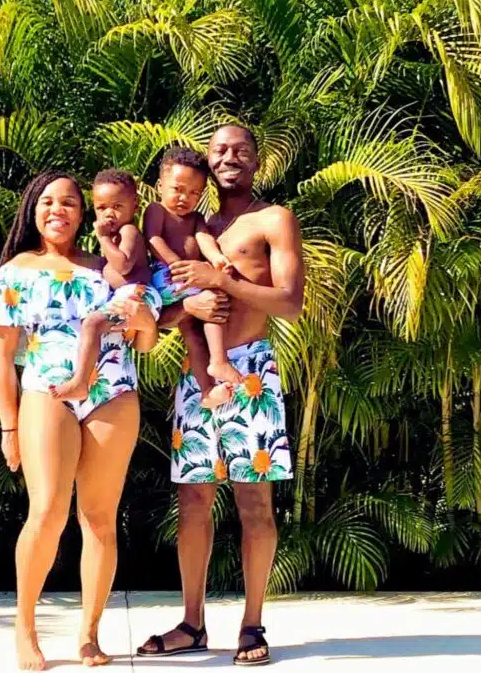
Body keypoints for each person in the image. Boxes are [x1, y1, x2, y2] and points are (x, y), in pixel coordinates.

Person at [136, 125, 304, 667]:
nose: (230, 157)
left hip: (251, 372)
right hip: (199, 377)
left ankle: (252, 625)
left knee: (255, 502)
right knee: (192, 501)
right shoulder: (193, 226)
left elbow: (289, 302)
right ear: (208, 163)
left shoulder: (272, 219)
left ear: (257, 160)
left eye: (241, 150)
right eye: (220, 151)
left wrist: (221, 280)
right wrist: (190, 308)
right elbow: (163, 315)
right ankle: (193, 622)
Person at [0, 171, 160, 670]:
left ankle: (89, 634)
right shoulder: (16, 271)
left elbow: (145, 341)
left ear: (83, 214)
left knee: (100, 519)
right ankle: (25, 629)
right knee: (47, 513)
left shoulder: (108, 269)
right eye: (48, 202)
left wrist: (144, 318)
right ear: (33, 210)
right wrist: (8, 427)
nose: (57, 210)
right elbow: (2, 360)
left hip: (113, 394)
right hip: (47, 391)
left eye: (69, 203)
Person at [50, 169, 161, 401]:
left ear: (135, 206)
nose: (109, 213)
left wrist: (102, 238)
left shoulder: (128, 231)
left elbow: (123, 266)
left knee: (92, 323)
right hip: (129, 295)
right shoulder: (115, 237)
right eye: (102, 208)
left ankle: (80, 382)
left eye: (117, 207)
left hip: (138, 294)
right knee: (95, 325)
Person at [145, 147, 241, 409]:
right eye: (177, 189)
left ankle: (208, 389)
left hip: (185, 280)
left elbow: (204, 239)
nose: (184, 197)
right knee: (214, 298)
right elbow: (153, 239)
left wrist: (217, 258)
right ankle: (219, 360)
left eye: (194, 193)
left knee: (194, 335)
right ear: (160, 185)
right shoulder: (157, 210)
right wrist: (177, 264)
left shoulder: (197, 218)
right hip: (169, 276)